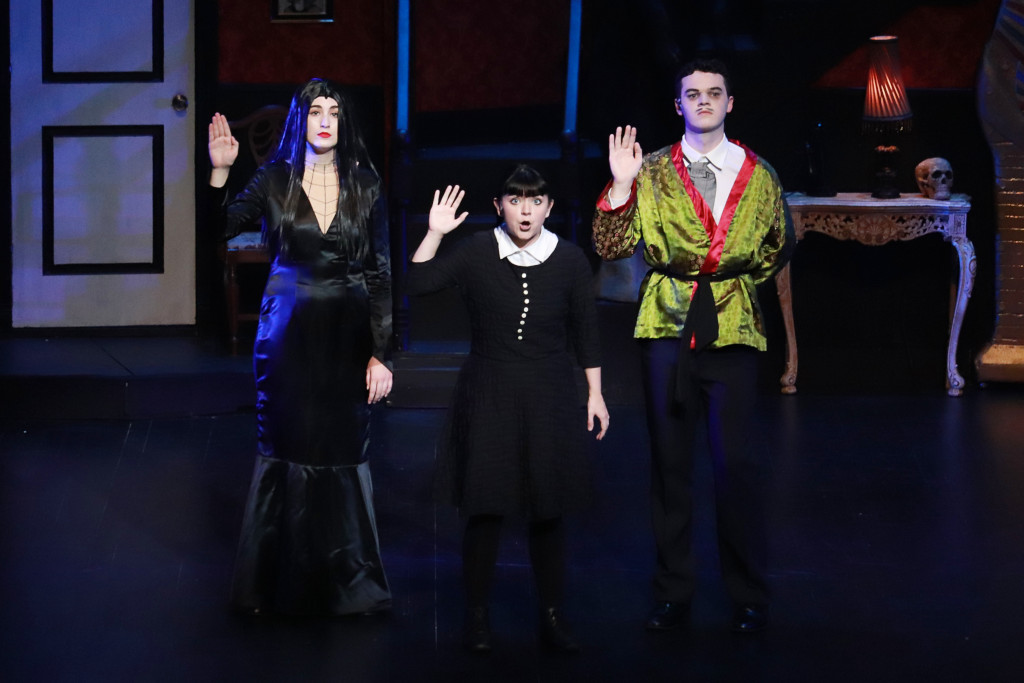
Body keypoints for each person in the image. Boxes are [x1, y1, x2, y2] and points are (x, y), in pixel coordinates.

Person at [592, 58, 794, 634]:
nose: (703, 100)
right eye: (692, 93)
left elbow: (778, 244)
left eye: (714, 92)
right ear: (678, 105)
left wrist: (729, 282)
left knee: (737, 466)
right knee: (670, 463)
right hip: (667, 325)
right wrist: (622, 185)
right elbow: (610, 246)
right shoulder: (651, 169)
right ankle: (673, 591)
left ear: (730, 103)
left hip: (732, 325)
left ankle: (748, 594)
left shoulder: (759, 173)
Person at [208, 78, 393, 616]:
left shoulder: (365, 184)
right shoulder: (274, 179)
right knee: (288, 444)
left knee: (342, 446)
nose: (325, 119)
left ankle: (347, 586)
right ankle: (274, 584)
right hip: (287, 330)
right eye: (315, 111)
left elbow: (380, 272)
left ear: (343, 122)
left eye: (334, 111)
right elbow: (219, 228)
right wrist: (220, 172)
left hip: (349, 332)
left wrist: (381, 352)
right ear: (301, 120)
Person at [406, 166, 610, 653]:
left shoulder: (569, 260)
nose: (525, 211)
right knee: (486, 507)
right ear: (499, 206)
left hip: (549, 392)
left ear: (549, 208)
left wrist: (595, 393)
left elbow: (586, 331)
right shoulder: (479, 250)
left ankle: (552, 615)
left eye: (535, 201)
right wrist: (434, 233)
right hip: (489, 390)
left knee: (548, 509)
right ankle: (477, 618)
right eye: (515, 201)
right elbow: (418, 282)